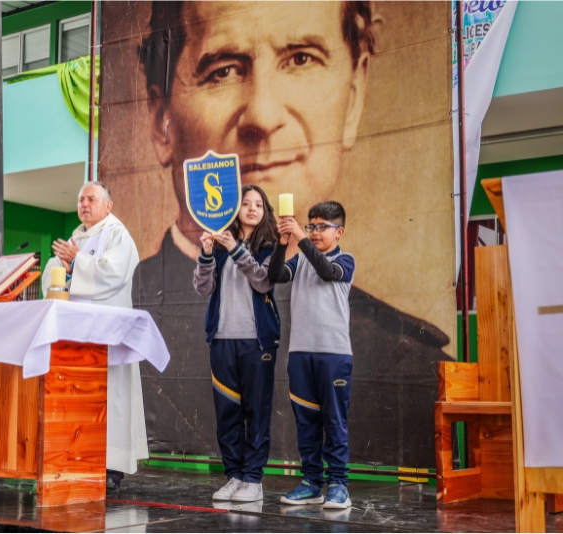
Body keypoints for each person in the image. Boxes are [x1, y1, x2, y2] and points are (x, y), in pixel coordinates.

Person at [126, 0, 451, 468]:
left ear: (354, 95)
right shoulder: (128, 316)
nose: (262, 115)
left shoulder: (413, 362)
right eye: (222, 71)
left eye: (301, 59)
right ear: (163, 119)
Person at [41, 181, 146, 491]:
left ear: (108, 205)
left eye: (91, 199)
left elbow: (115, 274)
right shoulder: (76, 237)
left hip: (107, 334)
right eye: (80, 200)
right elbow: (52, 275)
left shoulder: (117, 234)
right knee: (79, 394)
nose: (84, 204)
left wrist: (77, 262)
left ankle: (111, 466)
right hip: (76, 334)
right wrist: (65, 267)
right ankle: (77, 457)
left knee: (111, 397)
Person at [193, 185, 280, 502]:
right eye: (246, 203)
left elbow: (264, 281)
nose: (253, 208)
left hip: (258, 343)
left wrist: (236, 249)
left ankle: (253, 479)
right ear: (234, 208)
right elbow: (204, 288)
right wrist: (207, 253)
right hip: (222, 340)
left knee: (256, 411)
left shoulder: (270, 247)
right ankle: (234, 476)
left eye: (259, 204)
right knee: (227, 412)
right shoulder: (219, 246)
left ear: (265, 211)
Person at [267, 201, 354, 509]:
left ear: (339, 232)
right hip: (300, 354)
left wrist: (300, 238)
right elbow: (275, 274)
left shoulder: (345, 260)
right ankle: (312, 483)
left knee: (334, 421)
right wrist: (282, 242)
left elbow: (327, 271)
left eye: (322, 227)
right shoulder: (300, 260)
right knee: (306, 421)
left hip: (334, 355)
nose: (315, 232)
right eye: (311, 226)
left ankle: (339, 485)